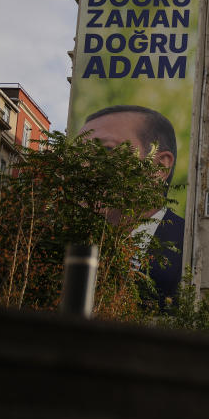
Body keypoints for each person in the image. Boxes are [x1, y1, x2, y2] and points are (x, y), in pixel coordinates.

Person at [79, 105, 184, 305]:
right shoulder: (61, 244)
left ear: (160, 167)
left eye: (108, 150)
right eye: (81, 154)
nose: (85, 165)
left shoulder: (189, 248)